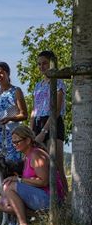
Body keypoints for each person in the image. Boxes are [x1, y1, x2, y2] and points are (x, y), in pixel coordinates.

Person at [0, 125, 65, 225]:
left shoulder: (36, 155)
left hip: (51, 198)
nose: (14, 145)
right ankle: (44, 218)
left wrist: (18, 179)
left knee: (9, 187)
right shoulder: (28, 156)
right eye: (13, 142)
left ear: (28, 140)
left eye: (17, 141)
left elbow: (44, 182)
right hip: (40, 196)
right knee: (2, 203)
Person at [30, 50, 66, 184]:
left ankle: (65, 201)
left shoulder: (58, 83)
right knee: (41, 164)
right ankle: (49, 198)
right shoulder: (38, 85)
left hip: (52, 122)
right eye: (39, 64)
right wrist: (32, 130)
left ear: (51, 64)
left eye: (44, 63)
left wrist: (44, 131)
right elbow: (34, 109)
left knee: (56, 165)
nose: (41, 67)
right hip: (38, 123)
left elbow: (55, 110)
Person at [0, 61, 28, 164]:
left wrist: (10, 118)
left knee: (12, 163)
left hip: (12, 134)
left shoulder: (16, 91)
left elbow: (24, 114)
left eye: (1, 72)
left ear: (7, 73)